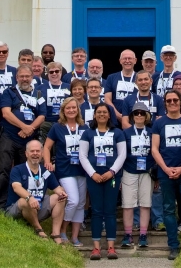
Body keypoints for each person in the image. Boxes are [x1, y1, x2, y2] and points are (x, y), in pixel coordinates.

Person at [151, 89, 181, 259]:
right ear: (165, 103)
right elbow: (155, 149)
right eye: (169, 100)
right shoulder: (158, 123)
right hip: (166, 172)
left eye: (175, 100)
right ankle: (173, 245)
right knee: (168, 208)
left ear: (180, 102)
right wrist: (165, 169)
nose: (172, 103)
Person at [79, 103, 127, 260]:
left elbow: (122, 155)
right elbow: (83, 156)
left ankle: (111, 248)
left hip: (112, 176)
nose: (101, 114)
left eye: (104, 112)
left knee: (110, 211)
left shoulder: (117, 133)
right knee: (97, 211)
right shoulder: (88, 133)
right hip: (94, 177)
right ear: (94, 115)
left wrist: (112, 172)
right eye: (98, 112)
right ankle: (96, 248)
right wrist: (93, 173)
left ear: (109, 115)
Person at [0, 63, 46, 209]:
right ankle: (1, 203)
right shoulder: (9, 92)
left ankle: (20, 202)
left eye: (27, 76)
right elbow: (6, 113)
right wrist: (24, 127)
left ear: (32, 77)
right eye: (21, 76)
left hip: (29, 139)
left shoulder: (38, 94)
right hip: (9, 136)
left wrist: (30, 128)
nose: (24, 79)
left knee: (24, 172)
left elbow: (42, 115)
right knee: (4, 169)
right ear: (16, 77)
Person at [44, 96, 88, 247]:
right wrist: (47, 162)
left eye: (73, 108)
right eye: (68, 108)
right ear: (63, 110)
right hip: (65, 169)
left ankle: (75, 237)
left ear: (78, 110)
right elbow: (46, 147)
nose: (71, 110)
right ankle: (62, 229)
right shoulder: (58, 127)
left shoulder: (84, 127)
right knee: (73, 200)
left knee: (81, 203)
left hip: (82, 170)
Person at [5, 139, 68, 240]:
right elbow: (16, 187)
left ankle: (56, 234)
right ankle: (39, 229)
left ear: (42, 154)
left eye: (38, 151)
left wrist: (62, 192)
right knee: (24, 200)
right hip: (17, 210)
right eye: (32, 151)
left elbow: (57, 188)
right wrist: (29, 198)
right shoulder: (18, 169)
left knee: (59, 198)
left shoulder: (45, 171)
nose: (35, 154)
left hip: (38, 207)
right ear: (26, 153)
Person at [120, 102, 154, 249]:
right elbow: (121, 154)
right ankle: (128, 234)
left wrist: (156, 174)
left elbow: (156, 153)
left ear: (147, 115)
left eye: (142, 113)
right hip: (129, 171)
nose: (139, 115)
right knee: (128, 205)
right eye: (136, 113)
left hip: (147, 173)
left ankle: (143, 234)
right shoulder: (125, 133)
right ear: (132, 116)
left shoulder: (152, 132)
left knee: (145, 204)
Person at [40, 62, 71, 141]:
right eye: (51, 72)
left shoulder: (68, 87)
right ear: (47, 74)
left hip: (64, 121)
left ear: (61, 72)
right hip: (47, 122)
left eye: (57, 71)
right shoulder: (40, 88)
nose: (54, 74)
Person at [104, 49, 138, 117]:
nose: (127, 61)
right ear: (120, 61)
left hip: (136, 117)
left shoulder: (140, 78)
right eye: (125, 58)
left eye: (130, 58)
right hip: (115, 120)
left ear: (135, 61)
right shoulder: (111, 77)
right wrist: (118, 116)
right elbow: (107, 99)